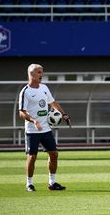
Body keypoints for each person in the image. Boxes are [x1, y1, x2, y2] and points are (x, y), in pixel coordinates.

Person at [18, 64, 71, 192]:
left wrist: (63, 114)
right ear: (31, 74)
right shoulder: (25, 91)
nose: (41, 75)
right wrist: (33, 120)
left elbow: (52, 103)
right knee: (32, 157)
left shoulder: (44, 88)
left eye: (42, 72)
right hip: (32, 130)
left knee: (54, 154)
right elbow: (21, 112)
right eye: (39, 72)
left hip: (46, 129)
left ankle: (52, 183)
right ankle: (29, 184)